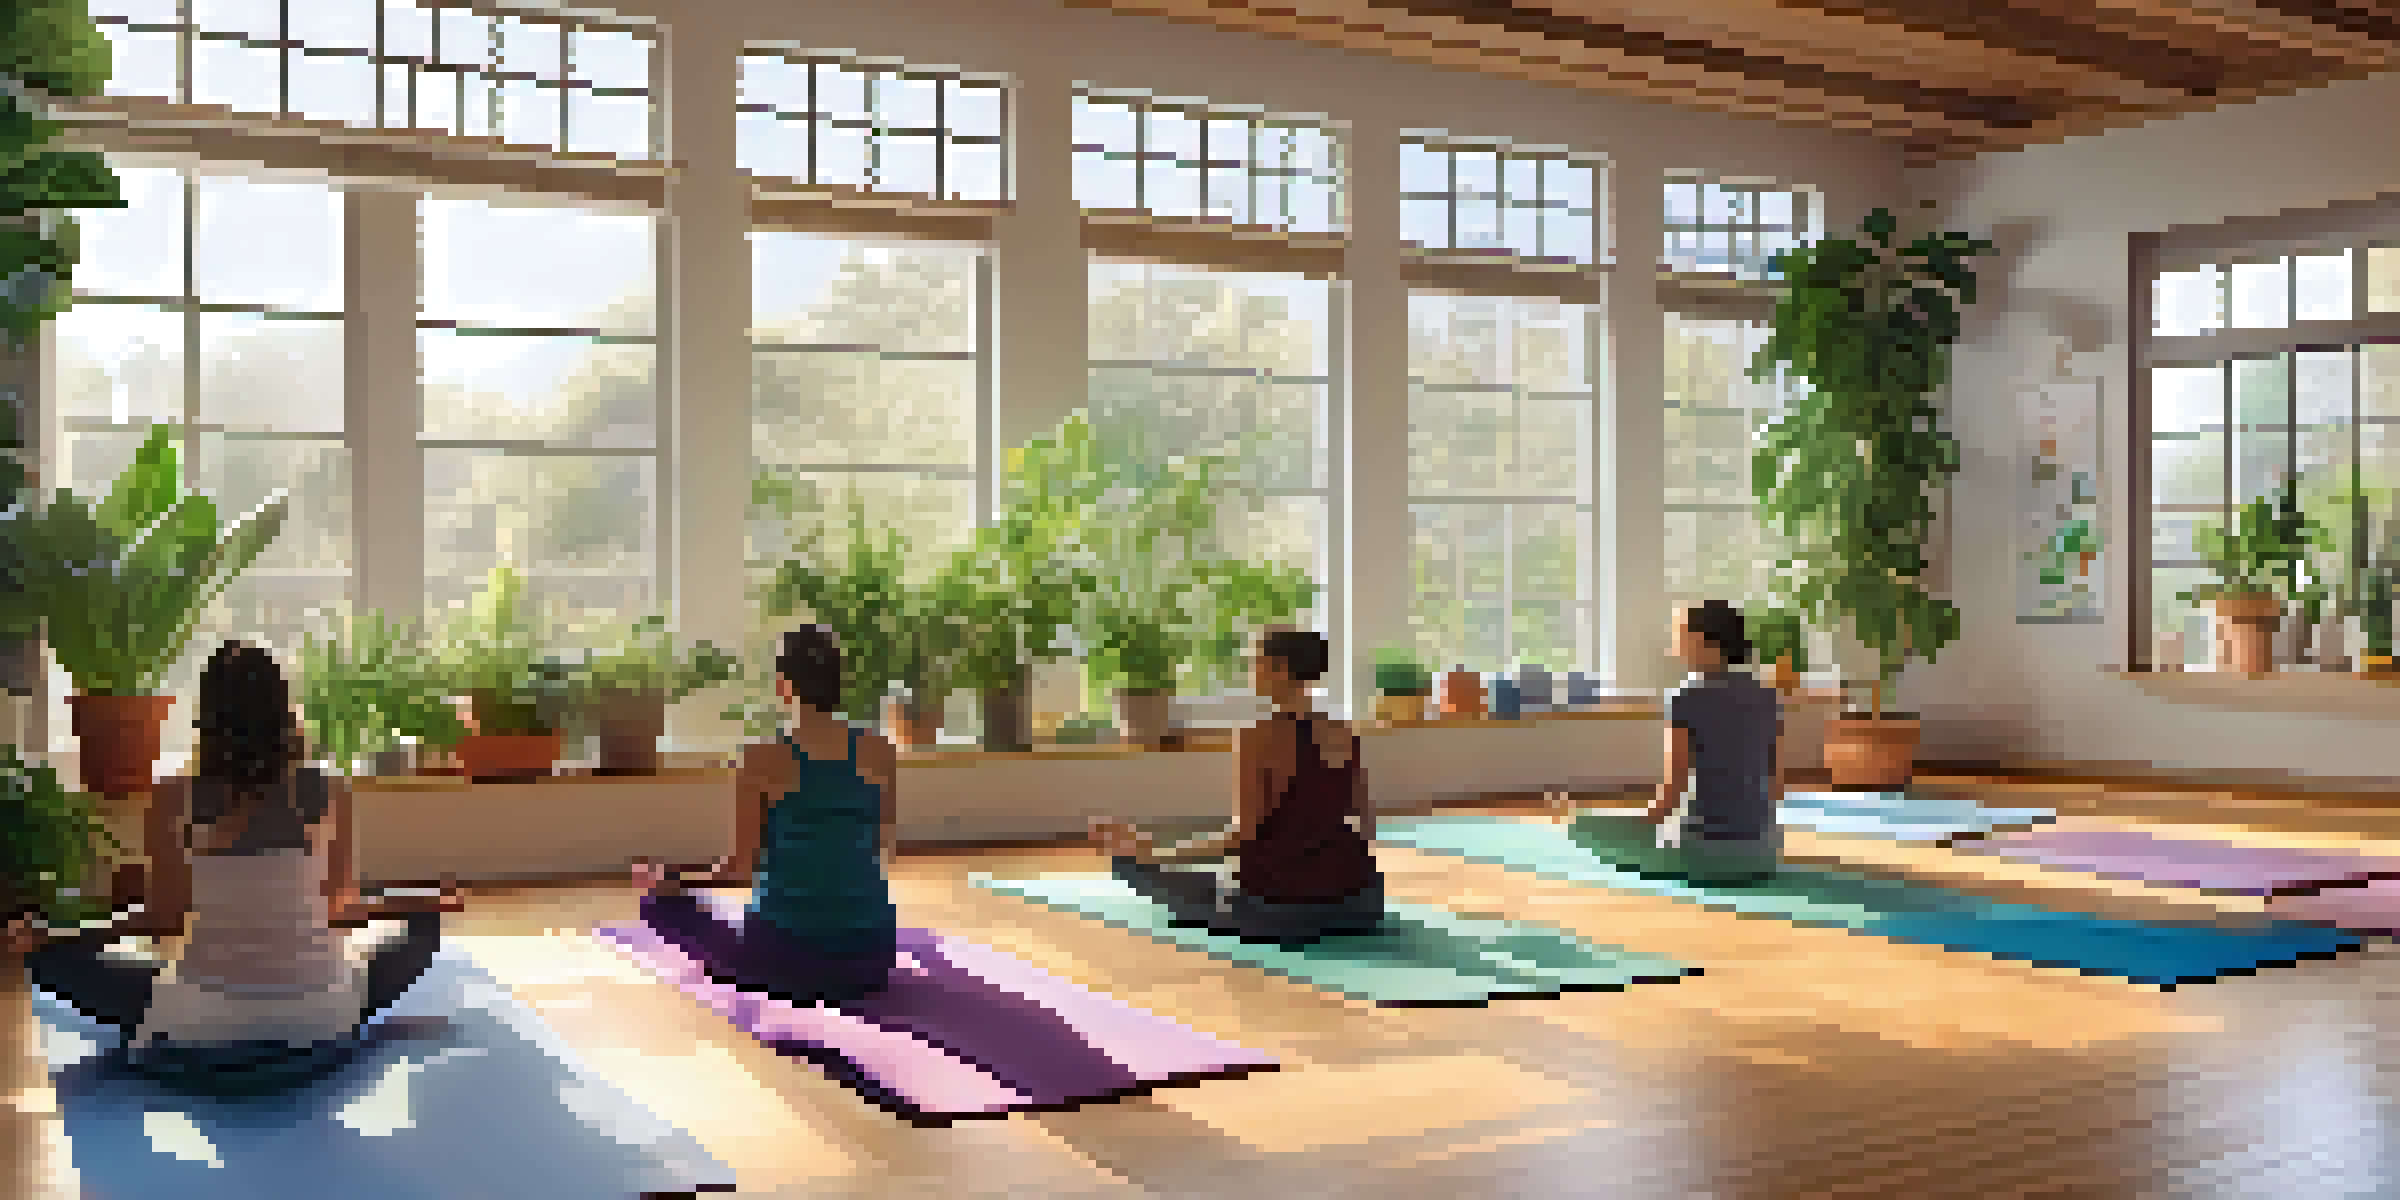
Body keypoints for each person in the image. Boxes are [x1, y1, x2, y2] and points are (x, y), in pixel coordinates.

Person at [7, 640, 459, 1091]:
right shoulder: (328, 788)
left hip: (203, 1021)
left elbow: (162, 918)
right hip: (321, 1020)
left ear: (208, 716)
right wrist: (416, 902)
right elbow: (340, 907)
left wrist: (53, 937)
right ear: (283, 710)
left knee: (52, 962)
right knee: (422, 931)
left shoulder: (172, 795)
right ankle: (328, 1014)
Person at [634, 624, 898, 1007]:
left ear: (783, 685)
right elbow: (881, 845)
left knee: (658, 903)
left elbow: (740, 869)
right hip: (871, 959)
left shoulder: (761, 758)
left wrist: (676, 881)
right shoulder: (880, 750)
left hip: (784, 960)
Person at [1090, 628, 1384, 944]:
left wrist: (1154, 853)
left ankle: (1138, 858)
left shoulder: (1255, 737)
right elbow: (1364, 823)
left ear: (1280, 669)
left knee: (1132, 868)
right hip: (1359, 902)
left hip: (1283, 910)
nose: (1249, 669)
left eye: (1254, 660)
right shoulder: (1343, 731)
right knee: (1221, 877)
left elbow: (1243, 835)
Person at [1567, 601, 1785, 884]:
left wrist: (1633, 826)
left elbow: (1672, 794)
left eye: (1679, 633)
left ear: (1706, 640)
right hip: (1764, 852)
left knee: (1582, 825)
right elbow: (1776, 783)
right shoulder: (1767, 694)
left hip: (1705, 852)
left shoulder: (1686, 696)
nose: (1674, 642)